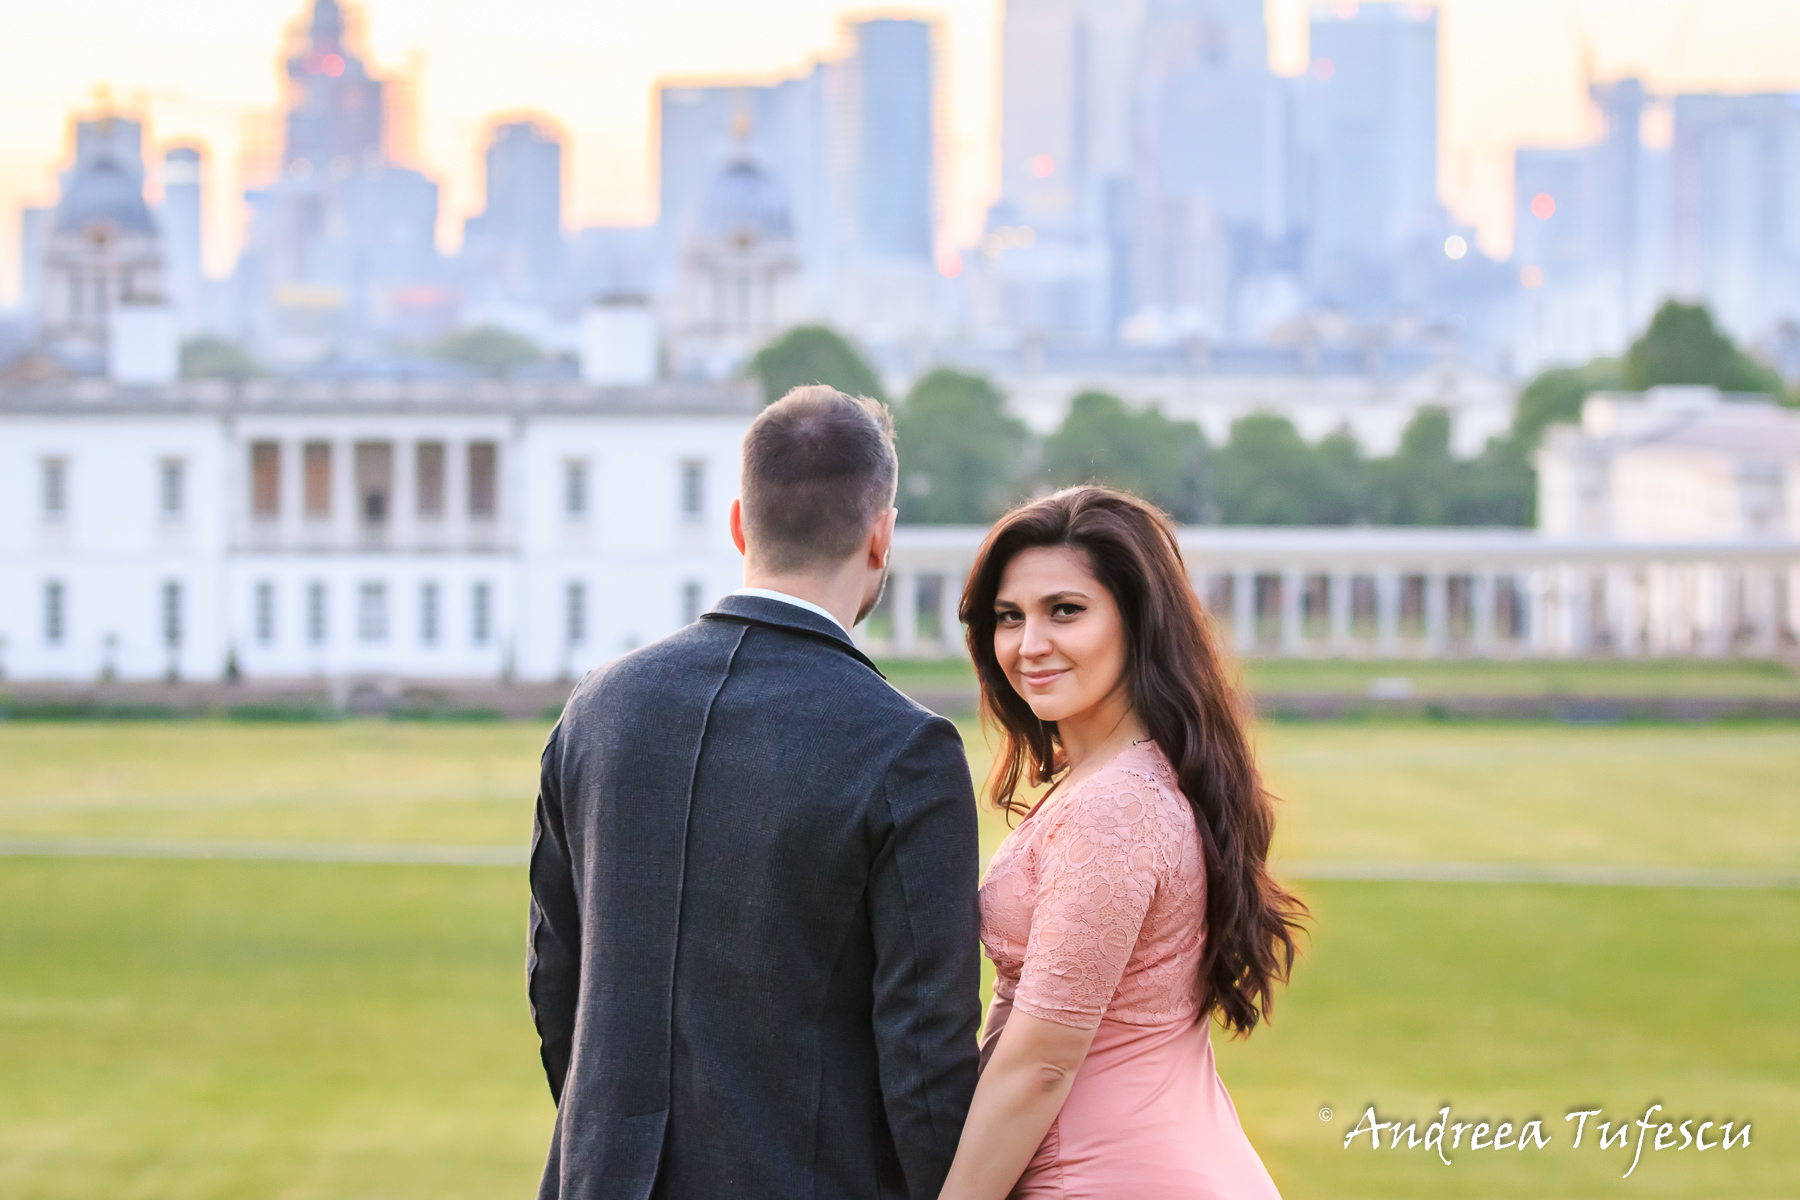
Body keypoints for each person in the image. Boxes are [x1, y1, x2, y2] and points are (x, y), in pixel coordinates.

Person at [528, 385, 983, 1200]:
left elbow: (556, 983)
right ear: (881, 536)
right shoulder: (906, 748)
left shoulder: (598, 707)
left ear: (739, 524)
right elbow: (924, 1059)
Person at [938, 486, 1307, 1200]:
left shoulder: (1115, 805)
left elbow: (1043, 1061)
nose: (1028, 644)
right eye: (1008, 618)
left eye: (1064, 611)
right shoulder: (1123, 778)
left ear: (1138, 622)